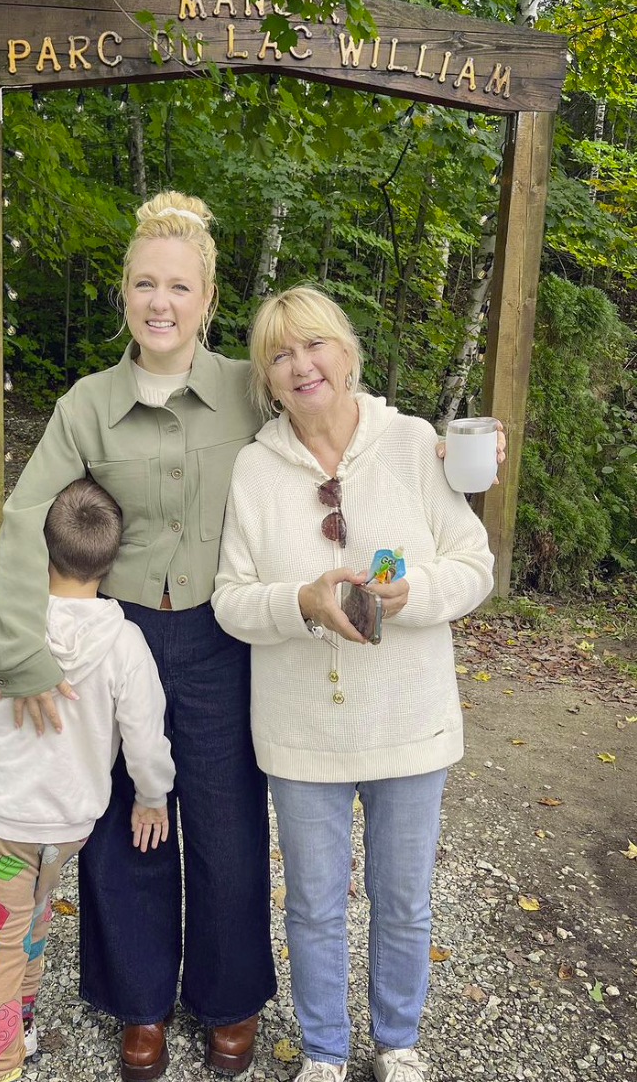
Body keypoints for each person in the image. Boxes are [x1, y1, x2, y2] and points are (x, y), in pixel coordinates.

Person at [0, 192, 277, 1079]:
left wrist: (431, 454)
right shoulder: (86, 405)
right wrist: (24, 649)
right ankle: (139, 1003)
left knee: (227, 825)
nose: (161, 302)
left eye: (179, 287)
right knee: (123, 826)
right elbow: (25, 519)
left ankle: (228, 1000)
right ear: (123, 294)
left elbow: (332, 424)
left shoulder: (245, 386)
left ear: (208, 300)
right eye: (144, 283)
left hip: (224, 638)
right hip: (122, 638)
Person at [211, 286, 496, 1082]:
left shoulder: (410, 444)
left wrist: (415, 597)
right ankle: (327, 1053)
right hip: (303, 731)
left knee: (404, 903)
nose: (302, 366)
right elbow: (231, 600)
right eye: (280, 355)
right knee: (312, 907)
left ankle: (397, 1044)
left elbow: (474, 565)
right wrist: (300, 602)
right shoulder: (254, 469)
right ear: (266, 381)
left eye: (315, 346)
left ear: (347, 350)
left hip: (409, 720)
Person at [0, 479, 176, 1082]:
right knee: (37, 917)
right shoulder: (126, 643)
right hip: (70, 825)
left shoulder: (5, 628)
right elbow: (147, 740)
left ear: (41, 552)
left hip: (6, 822)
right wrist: (152, 797)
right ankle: (21, 1023)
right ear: (113, 558)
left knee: (1, 935)